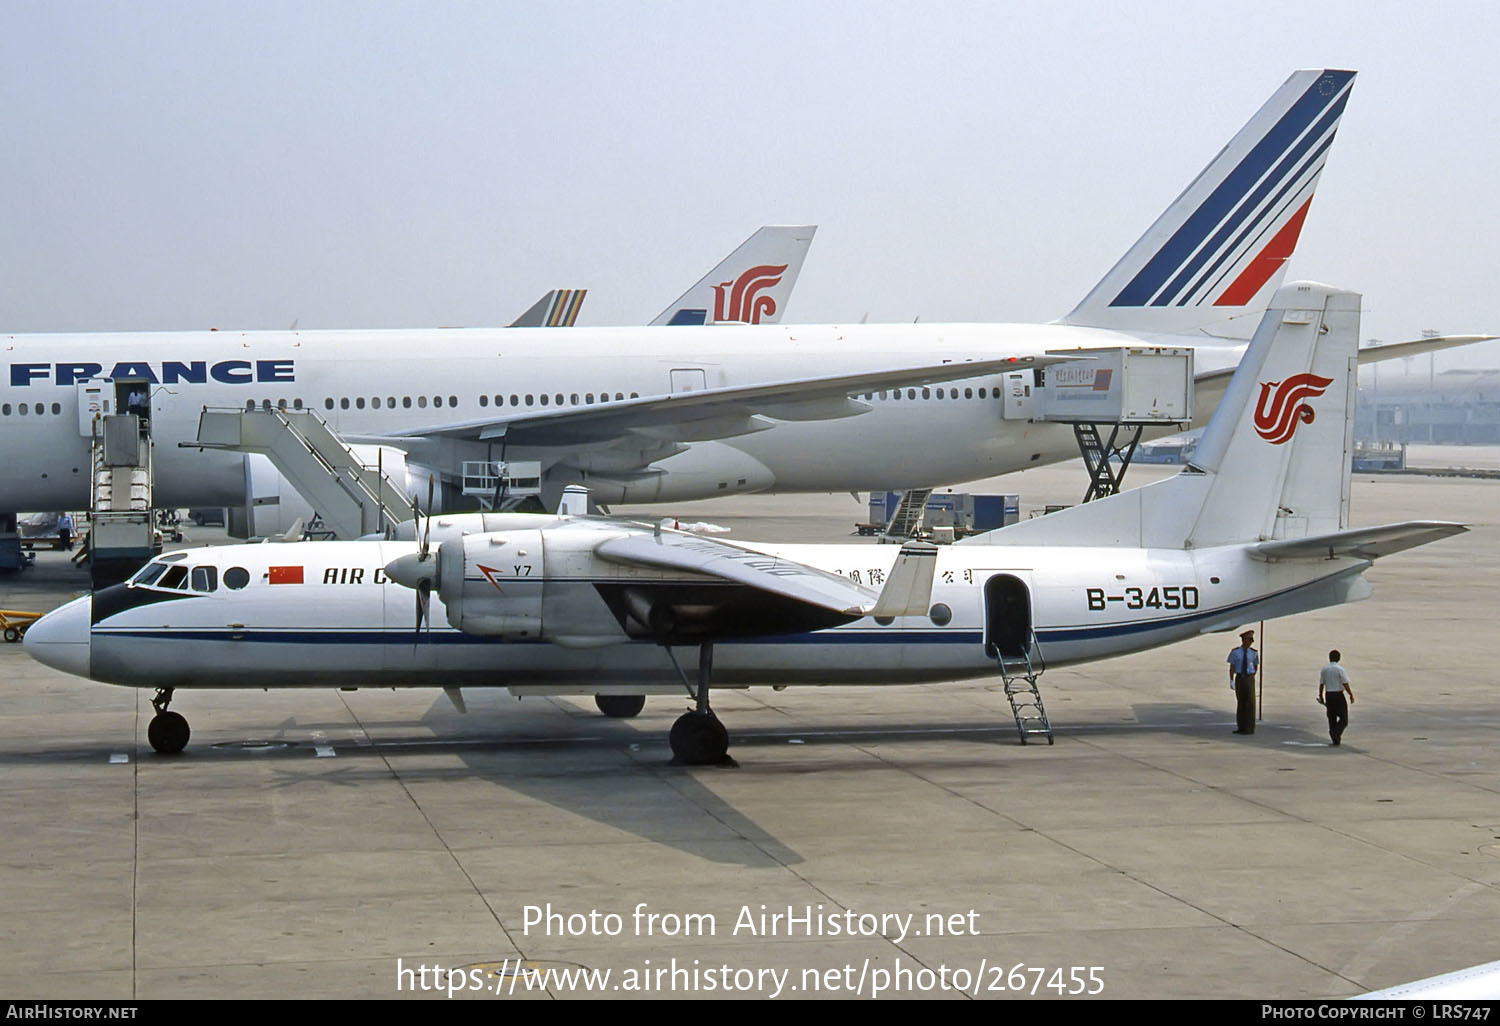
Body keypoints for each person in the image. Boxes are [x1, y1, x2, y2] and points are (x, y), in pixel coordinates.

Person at [1317, 649, 1354, 746]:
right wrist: (1350, 694)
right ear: (1339, 658)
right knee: (1344, 719)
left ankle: (1335, 739)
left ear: (1329, 658)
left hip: (1328, 695)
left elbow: (1321, 684)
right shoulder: (1340, 669)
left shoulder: (1324, 669)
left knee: (1331, 717)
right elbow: (1345, 683)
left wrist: (1321, 696)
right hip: (1338, 695)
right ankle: (1336, 732)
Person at [1227, 629, 1259, 734]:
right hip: (1240, 677)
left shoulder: (1253, 653)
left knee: (1250, 703)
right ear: (1243, 640)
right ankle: (1241, 726)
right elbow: (1232, 667)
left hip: (1249, 678)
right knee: (1241, 702)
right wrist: (1231, 680)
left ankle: (1249, 727)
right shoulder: (1235, 652)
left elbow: (1255, 666)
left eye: (1251, 640)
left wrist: (1252, 675)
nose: (1249, 642)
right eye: (1248, 640)